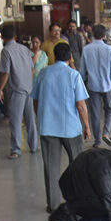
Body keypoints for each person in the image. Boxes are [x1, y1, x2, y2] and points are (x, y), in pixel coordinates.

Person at [31, 41, 92, 212]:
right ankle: (79, 200)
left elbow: (35, 100)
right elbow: (80, 105)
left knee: (51, 167)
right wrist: (86, 126)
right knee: (77, 166)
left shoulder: (43, 74)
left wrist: (41, 116)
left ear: (54, 56)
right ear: (70, 57)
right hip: (70, 129)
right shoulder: (73, 75)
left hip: (48, 127)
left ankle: (53, 204)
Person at [0, 23, 36, 159]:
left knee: (16, 120)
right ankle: (33, 145)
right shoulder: (25, 49)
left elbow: (6, 73)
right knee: (30, 118)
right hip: (28, 88)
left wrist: (0, 88)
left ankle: (16, 149)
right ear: (15, 36)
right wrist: (29, 83)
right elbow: (32, 68)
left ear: (2, 37)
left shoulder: (6, 51)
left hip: (16, 90)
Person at [79, 24, 111, 148]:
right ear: (104, 35)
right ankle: (106, 133)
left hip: (92, 86)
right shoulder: (108, 49)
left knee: (95, 114)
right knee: (110, 109)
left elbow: (82, 70)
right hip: (107, 85)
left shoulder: (86, 49)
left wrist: (84, 83)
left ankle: (97, 141)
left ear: (93, 35)